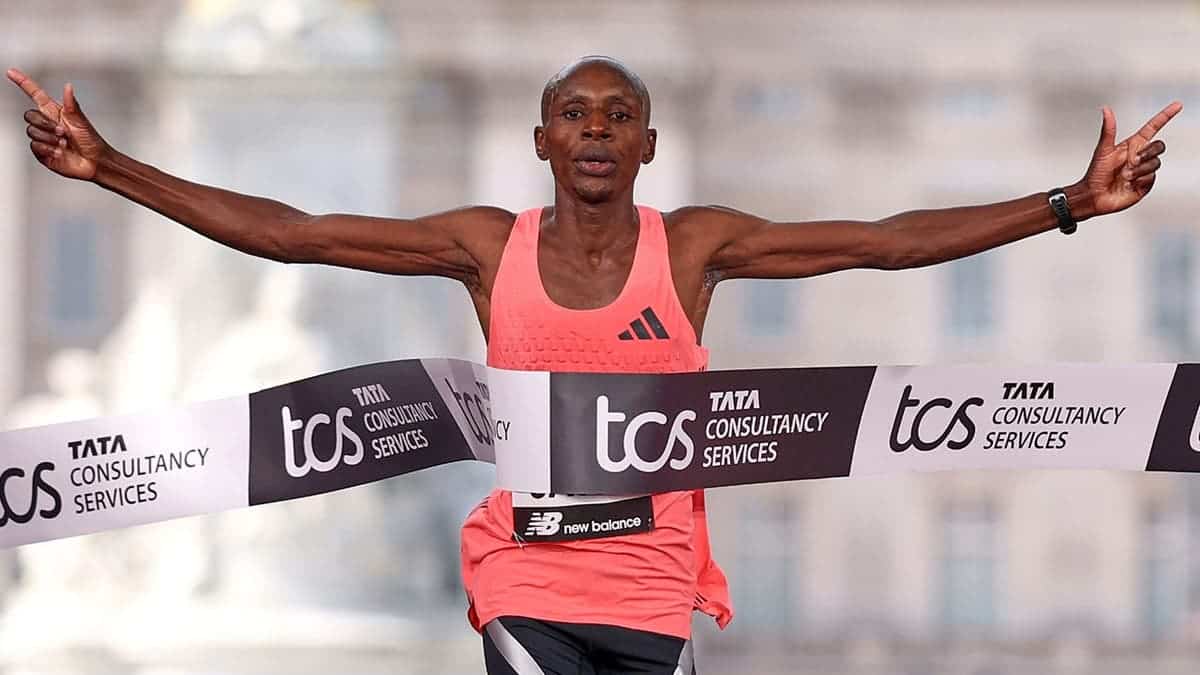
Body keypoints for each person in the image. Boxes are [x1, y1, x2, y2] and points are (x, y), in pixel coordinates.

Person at [7, 56, 1181, 674]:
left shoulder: (699, 249)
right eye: (576, 113)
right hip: (528, 586)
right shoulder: (484, 248)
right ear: (542, 140)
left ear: (650, 143)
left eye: (620, 114)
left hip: (658, 594)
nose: (599, 130)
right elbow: (296, 232)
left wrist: (1068, 203)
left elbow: (882, 245)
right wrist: (112, 168)